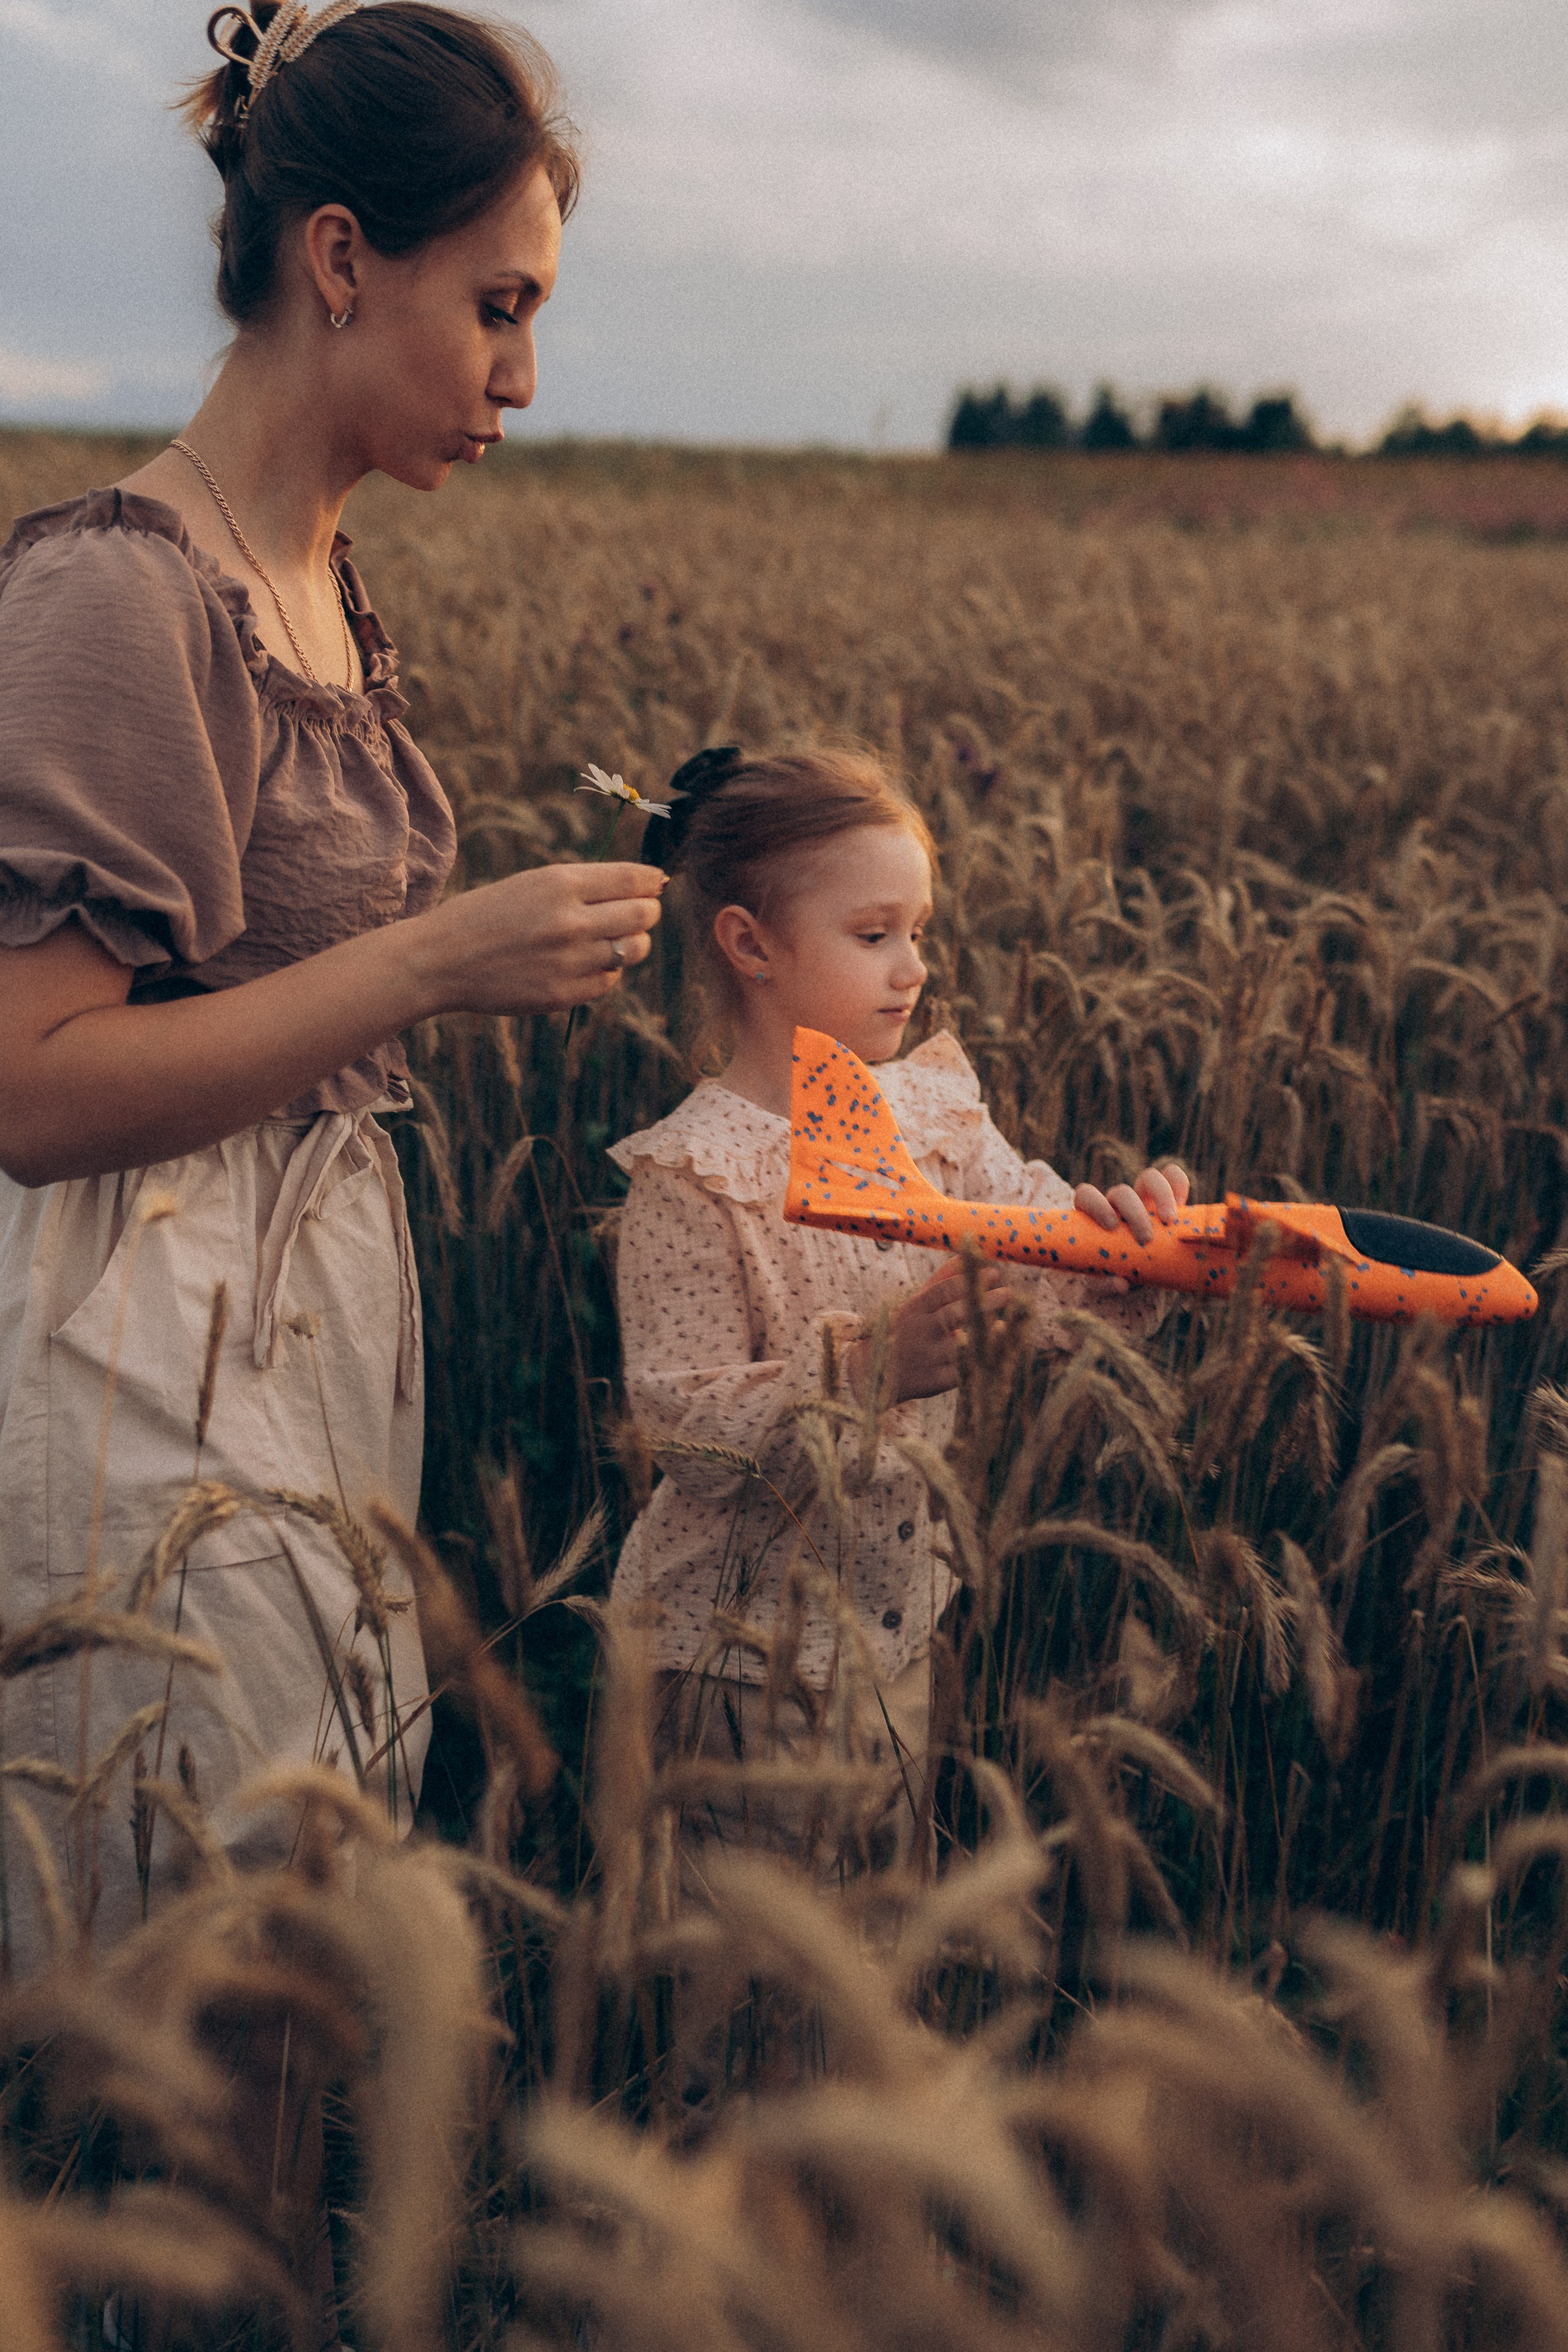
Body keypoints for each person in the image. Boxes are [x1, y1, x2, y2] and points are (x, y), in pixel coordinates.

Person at [0, 0, 666, 1972]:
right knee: (189, 1966)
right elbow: (29, 1090)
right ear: (344, 256)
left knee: (292, 1955)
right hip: (138, 1361)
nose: (526, 377)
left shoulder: (313, 573)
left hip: (297, 1340)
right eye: (500, 306)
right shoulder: (123, 588)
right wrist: (437, 960)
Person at [608, 747, 1188, 1875]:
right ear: (749, 943)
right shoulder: (695, 1176)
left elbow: (1039, 1269)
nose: (913, 968)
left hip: (896, 1632)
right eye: (874, 936)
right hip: (733, 1660)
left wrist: (1130, 1257)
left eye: (920, 932)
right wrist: (868, 1373)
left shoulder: (932, 1119)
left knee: (870, 1958)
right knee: (754, 2005)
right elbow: (679, 1433)